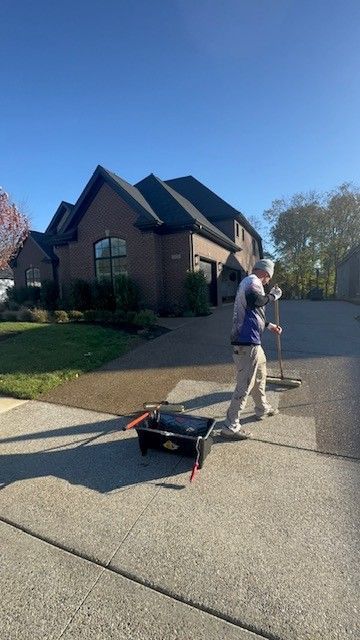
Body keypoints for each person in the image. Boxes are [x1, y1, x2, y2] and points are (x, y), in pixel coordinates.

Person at [221, 258, 282, 439]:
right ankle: (230, 426)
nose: (268, 281)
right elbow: (257, 301)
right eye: (268, 277)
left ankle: (261, 408)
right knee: (245, 384)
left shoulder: (251, 283)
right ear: (265, 273)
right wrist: (272, 296)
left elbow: (253, 314)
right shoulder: (251, 282)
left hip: (253, 343)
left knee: (261, 375)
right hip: (246, 344)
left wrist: (270, 326)